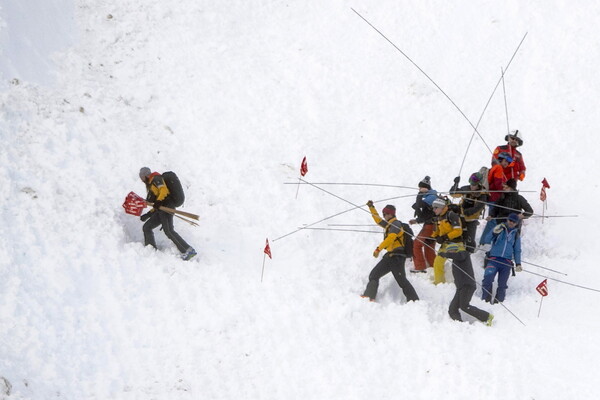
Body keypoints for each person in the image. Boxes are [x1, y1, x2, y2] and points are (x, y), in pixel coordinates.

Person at [362, 202, 419, 302]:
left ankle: (414, 301)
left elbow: (391, 238)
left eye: (385, 214)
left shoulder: (396, 224)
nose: (384, 216)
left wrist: (378, 249)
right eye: (383, 214)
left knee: (402, 281)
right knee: (374, 275)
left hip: (397, 257)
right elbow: (378, 220)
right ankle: (368, 297)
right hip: (390, 256)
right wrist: (371, 207)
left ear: (391, 214)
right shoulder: (389, 225)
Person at [139, 167, 197, 260]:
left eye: (141, 177)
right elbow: (155, 204)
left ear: (145, 175)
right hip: (161, 209)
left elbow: (163, 191)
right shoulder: (150, 185)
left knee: (169, 231)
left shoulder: (156, 178)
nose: (141, 179)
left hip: (167, 207)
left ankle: (188, 250)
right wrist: (148, 214)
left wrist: (158, 202)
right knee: (147, 227)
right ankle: (150, 249)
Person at [439, 248, 494, 325]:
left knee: (464, 306)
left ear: (455, 250)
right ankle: (459, 324)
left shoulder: (463, 254)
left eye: (451, 251)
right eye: (448, 251)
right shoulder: (455, 260)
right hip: (460, 287)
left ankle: (487, 317)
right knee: (452, 309)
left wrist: (445, 254)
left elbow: (459, 256)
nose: (450, 253)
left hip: (467, 285)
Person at [481, 213, 523, 304]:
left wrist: (518, 263)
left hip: (506, 262)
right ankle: (485, 300)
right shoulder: (499, 228)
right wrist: (493, 232)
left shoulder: (516, 234)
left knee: (502, 285)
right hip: (493, 259)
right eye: (510, 220)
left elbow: (517, 250)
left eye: (514, 222)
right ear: (507, 220)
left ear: (516, 223)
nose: (511, 223)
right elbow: (487, 239)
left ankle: (498, 303)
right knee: (487, 279)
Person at [480, 178, 533, 245]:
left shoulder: (519, 198)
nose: (504, 188)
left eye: (506, 187)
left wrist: (523, 215)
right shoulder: (502, 197)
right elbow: (495, 209)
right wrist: (491, 215)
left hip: (514, 225)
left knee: (511, 242)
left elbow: (530, 211)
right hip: (501, 223)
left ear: (511, 188)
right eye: (504, 187)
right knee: (498, 241)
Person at [449, 172, 489, 253]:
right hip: (461, 218)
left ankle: (470, 254)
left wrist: (464, 212)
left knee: (469, 239)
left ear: (479, 184)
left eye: (474, 185)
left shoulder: (482, 194)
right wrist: (455, 184)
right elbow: (453, 194)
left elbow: (477, 208)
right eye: (471, 184)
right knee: (458, 236)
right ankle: (458, 252)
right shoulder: (466, 188)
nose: (472, 186)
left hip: (471, 220)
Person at [479, 153, 512, 246]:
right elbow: (497, 185)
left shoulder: (494, 167)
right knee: (493, 220)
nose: (506, 164)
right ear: (501, 159)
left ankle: (485, 241)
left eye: (508, 162)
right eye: (506, 161)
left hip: (491, 197)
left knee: (493, 219)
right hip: (494, 198)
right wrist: (506, 189)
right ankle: (484, 241)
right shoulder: (498, 168)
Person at [430, 197, 465, 285]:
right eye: (433, 208)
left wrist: (445, 237)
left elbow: (458, 231)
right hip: (445, 244)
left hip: (456, 243)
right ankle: (439, 283)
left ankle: (462, 283)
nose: (434, 210)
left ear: (441, 207)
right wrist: (433, 236)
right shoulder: (439, 218)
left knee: (459, 264)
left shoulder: (451, 215)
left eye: (435, 208)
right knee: (437, 262)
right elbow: (437, 232)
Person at [409, 176, 438, 273]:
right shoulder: (431, 196)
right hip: (433, 226)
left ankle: (420, 267)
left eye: (420, 187)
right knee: (428, 247)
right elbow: (427, 214)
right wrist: (416, 220)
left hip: (430, 226)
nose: (419, 189)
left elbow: (420, 205)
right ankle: (434, 267)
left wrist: (420, 193)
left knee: (416, 245)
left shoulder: (431, 196)